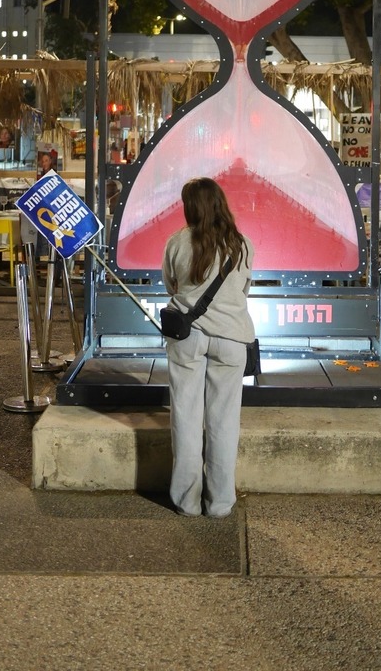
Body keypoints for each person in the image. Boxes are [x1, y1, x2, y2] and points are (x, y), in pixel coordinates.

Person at [162, 178, 255, 518]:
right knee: (224, 422)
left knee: (186, 418)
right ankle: (219, 503)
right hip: (231, 340)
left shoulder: (177, 242)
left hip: (188, 337)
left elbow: (171, 285)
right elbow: (244, 290)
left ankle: (187, 502)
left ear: (190, 207)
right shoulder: (242, 244)